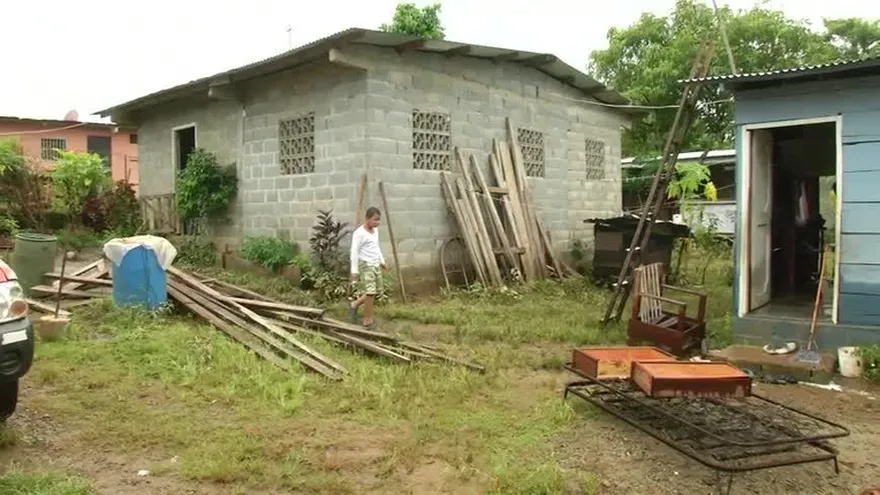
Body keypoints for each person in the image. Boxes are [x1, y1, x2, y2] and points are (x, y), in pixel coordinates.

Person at [349, 207, 390, 329]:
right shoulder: (359, 233)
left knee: (373, 291)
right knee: (371, 293)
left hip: (375, 264)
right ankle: (367, 321)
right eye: (375, 220)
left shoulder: (375, 231)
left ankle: (355, 304)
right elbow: (354, 253)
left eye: (379, 220)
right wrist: (354, 271)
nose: (377, 223)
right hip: (365, 265)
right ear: (367, 218)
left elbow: (376, 247)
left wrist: (382, 262)